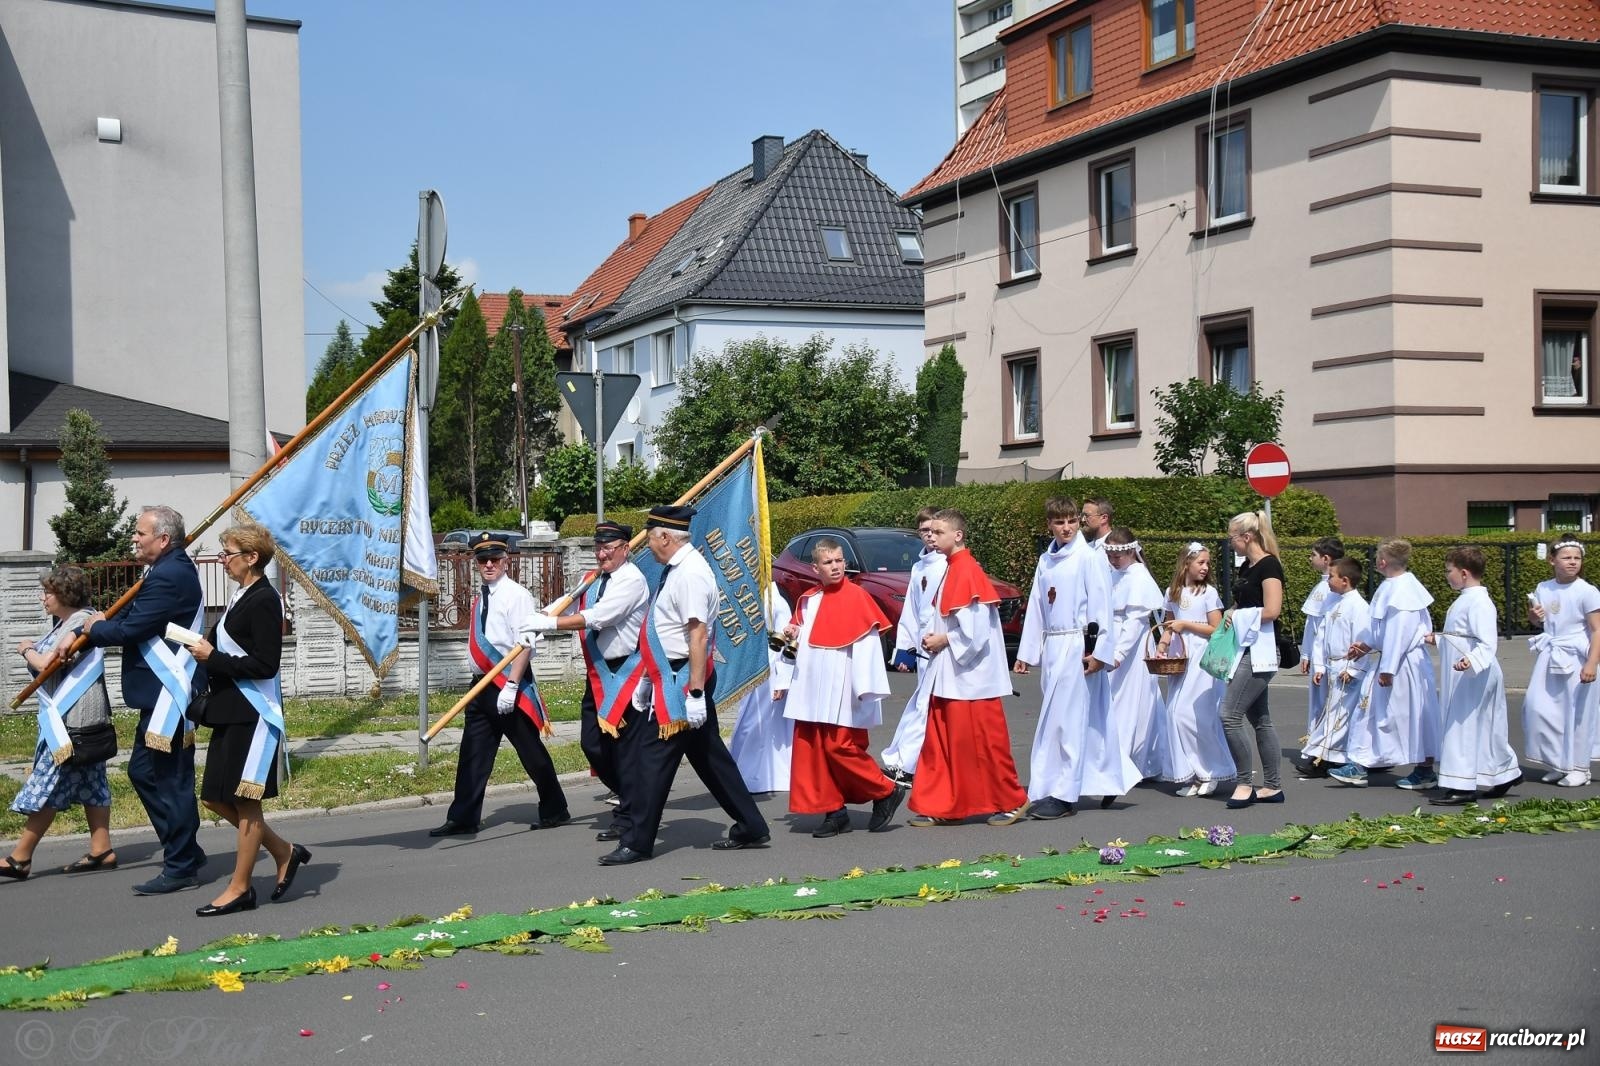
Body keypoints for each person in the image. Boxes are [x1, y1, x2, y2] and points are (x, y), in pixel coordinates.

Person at [599, 505, 770, 865]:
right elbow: (667, 631)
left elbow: (698, 636)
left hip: (681, 683)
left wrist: (693, 693)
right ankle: (751, 825)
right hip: (668, 676)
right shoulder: (676, 570)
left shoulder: (690, 574)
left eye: (651, 539)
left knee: (650, 762)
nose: (649, 546)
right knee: (710, 760)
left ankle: (637, 842)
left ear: (666, 537)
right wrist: (648, 678)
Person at [76, 505, 207, 895]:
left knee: (172, 780)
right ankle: (185, 849)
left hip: (169, 691)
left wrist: (98, 628)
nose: (134, 538)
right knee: (144, 772)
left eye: (140, 533)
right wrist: (105, 622)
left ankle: (181, 865)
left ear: (163, 539)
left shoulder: (170, 575)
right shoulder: (164, 571)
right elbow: (136, 615)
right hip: (157, 694)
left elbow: (133, 628)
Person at [189, 523, 309, 915]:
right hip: (230, 712)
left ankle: (240, 888)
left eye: (227, 553)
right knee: (213, 797)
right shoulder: (241, 595)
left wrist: (213, 658)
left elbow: (265, 663)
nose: (222, 560)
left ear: (251, 557)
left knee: (245, 800)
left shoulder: (264, 599)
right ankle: (284, 850)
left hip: (252, 714)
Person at [430, 532, 569, 837]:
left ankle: (555, 808)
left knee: (530, 751)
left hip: (508, 684)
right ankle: (464, 816)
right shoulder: (482, 596)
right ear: (476, 562)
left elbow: (525, 643)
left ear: (506, 561)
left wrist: (512, 685)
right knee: (473, 753)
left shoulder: (516, 595)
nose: (489, 564)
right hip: (480, 686)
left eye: (495, 559)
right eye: (483, 560)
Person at [519, 520, 648, 838]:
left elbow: (601, 616)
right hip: (599, 674)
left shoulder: (632, 580)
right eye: (598, 548)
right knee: (592, 744)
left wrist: (550, 626)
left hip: (625, 672)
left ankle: (629, 813)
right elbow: (569, 601)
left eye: (609, 548)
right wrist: (539, 618)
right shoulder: (593, 578)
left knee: (623, 750)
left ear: (625, 549)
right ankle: (636, 797)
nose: (602, 554)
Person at [905, 509, 1029, 827]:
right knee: (943, 742)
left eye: (940, 531)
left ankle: (1013, 799)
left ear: (957, 536)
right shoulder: (950, 567)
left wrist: (943, 639)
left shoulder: (967, 570)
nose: (933, 536)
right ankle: (945, 805)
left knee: (986, 744)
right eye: (930, 531)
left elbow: (975, 632)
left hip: (971, 678)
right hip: (949, 673)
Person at [1013, 497, 1134, 818]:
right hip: (1054, 646)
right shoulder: (1045, 561)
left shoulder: (1088, 558)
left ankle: (1063, 794)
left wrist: (1097, 651)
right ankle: (1107, 777)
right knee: (1080, 718)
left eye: (1071, 521)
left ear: (1079, 522)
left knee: (1065, 721)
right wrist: (1028, 652)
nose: (1065, 528)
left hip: (1078, 644)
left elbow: (1101, 606)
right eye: (1058, 522)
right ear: (1049, 525)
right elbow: (1038, 605)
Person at [774, 538, 905, 836]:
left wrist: (866, 690)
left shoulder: (858, 598)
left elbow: (870, 649)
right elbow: (797, 641)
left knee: (840, 746)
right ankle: (835, 813)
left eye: (839, 561)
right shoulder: (808, 600)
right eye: (828, 562)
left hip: (843, 687)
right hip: (809, 687)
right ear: (815, 567)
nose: (835, 567)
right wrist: (793, 633)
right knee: (814, 752)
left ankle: (885, 790)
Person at [3, 567, 117, 882]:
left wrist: (25, 647)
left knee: (49, 781)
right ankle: (102, 847)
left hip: (72, 719)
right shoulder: (66, 623)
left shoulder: (81, 621)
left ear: (65, 594)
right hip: (73, 716)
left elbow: (48, 665)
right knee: (92, 780)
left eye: (48, 592)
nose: (43, 598)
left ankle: (20, 857)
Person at [1329, 539, 1440, 789]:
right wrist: (1366, 644)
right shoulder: (1391, 586)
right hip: (1391, 660)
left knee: (1407, 714)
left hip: (1402, 665)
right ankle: (1360, 764)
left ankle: (1424, 769)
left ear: (1382, 561)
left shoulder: (1402, 590)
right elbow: (1380, 626)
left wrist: (1388, 668)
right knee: (1370, 712)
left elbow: (1399, 633)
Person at [1428, 547, 1520, 804]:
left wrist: (1471, 660)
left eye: (1449, 571)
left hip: (1473, 674)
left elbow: (1487, 642)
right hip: (1467, 672)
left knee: (1462, 726)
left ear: (1465, 573)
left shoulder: (1479, 602)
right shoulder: (1467, 598)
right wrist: (1438, 639)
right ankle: (1502, 773)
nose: (1447, 576)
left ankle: (1462, 785)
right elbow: (1460, 636)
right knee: (1485, 728)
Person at [1104, 527, 1184, 786]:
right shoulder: (1116, 574)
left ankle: (1125, 760)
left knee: (1129, 702)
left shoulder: (1138, 577)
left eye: (1118, 557)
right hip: (1112, 641)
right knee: (1116, 701)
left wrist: (1119, 652)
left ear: (1130, 552)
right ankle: (1136, 760)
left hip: (1130, 648)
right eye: (1111, 556)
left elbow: (1135, 622)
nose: (1114, 561)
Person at [1220, 510, 1287, 809]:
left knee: (1229, 714)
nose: (1230, 543)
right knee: (1259, 718)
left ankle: (1245, 782)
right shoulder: (1247, 566)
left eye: (1232, 537)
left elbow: (1272, 610)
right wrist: (1233, 609)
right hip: (1245, 647)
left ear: (1247, 537)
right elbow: (1245, 600)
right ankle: (1272, 786)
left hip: (1261, 649)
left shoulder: (1269, 565)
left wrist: (1236, 615)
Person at [1157, 542, 1235, 796]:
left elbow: (1217, 628)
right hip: (1181, 655)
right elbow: (1169, 625)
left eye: (1208, 563)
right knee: (1175, 714)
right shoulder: (1173, 591)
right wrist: (1162, 644)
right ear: (1186, 563)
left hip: (1202, 656)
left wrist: (1186, 624)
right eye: (1201, 562)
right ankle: (1194, 772)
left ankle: (1210, 771)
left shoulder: (1208, 592)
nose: (1205, 567)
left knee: (1195, 715)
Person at [1522, 534, 1600, 787]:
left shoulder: (1587, 591)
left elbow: (1597, 630)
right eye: (1566, 557)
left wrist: (1591, 663)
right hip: (1551, 655)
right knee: (1539, 708)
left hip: (1577, 657)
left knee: (1577, 713)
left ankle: (1580, 767)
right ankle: (1559, 762)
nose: (1572, 562)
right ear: (1552, 560)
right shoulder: (1544, 588)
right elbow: (1538, 620)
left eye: (1577, 558)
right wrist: (1534, 616)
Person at [881, 505, 946, 786]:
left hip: (941, 645)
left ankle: (904, 763)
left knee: (925, 705)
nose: (929, 536)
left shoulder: (947, 564)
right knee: (924, 703)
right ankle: (910, 761)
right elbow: (911, 609)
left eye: (934, 530)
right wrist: (905, 648)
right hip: (922, 647)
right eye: (924, 531)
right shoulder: (919, 566)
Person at [1297, 557, 1369, 777]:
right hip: (1330, 666)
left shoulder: (1359, 607)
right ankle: (1327, 757)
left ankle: (1324, 758)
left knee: (1339, 715)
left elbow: (1364, 641)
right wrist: (1319, 666)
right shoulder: (1332, 602)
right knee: (1330, 713)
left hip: (1346, 668)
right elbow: (1321, 637)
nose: (1328, 580)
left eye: (1332, 576)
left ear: (1345, 580)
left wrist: (1354, 669)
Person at [728, 583, 794, 793]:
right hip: (753, 662)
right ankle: (744, 770)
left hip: (771, 664)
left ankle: (763, 774)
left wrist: (783, 678)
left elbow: (786, 641)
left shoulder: (776, 601)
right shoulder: (747, 591)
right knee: (750, 718)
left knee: (763, 721)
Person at [1300, 537, 1345, 735]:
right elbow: (1312, 625)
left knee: (1327, 702)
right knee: (1317, 701)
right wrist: (1306, 653)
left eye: (1313, 555)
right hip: (1316, 655)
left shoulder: (1334, 589)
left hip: (1327, 658)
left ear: (1326, 559)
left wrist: (1312, 655)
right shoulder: (1322, 586)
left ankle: (1323, 746)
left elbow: (1323, 628)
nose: (1310, 558)